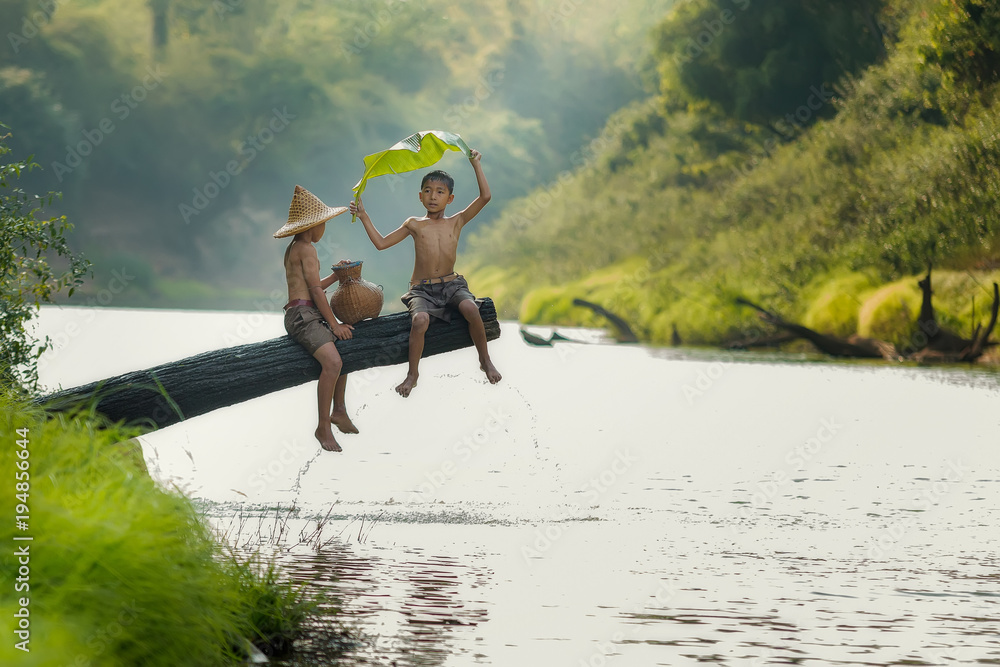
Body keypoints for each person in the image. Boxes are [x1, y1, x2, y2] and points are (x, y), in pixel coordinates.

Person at [349, 149, 502, 397]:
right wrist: (364, 216)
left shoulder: (457, 221)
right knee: (420, 321)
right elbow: (381, 243)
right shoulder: (414, 224)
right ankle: (413, 374)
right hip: (423, 289)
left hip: (452, 285)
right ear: (420, 196)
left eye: (440, 192)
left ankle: (485, 360)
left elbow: (485, 196)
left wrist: (476, 165)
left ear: (450, 198)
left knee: (472, 309)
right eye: (428, 191)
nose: (433, 197)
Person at [274, 185, 358, 452]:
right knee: (333, 363)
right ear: (315, 225)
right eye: (324, 224)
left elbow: (313, 285)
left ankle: (340, 410)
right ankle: (323, 425)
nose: (325, 229)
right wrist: (334, 324)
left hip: (305, 312)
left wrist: (336, 275)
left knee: (343, 350)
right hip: (302, 316)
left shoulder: (296, 247)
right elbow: (314, 291)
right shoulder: (306, 249)